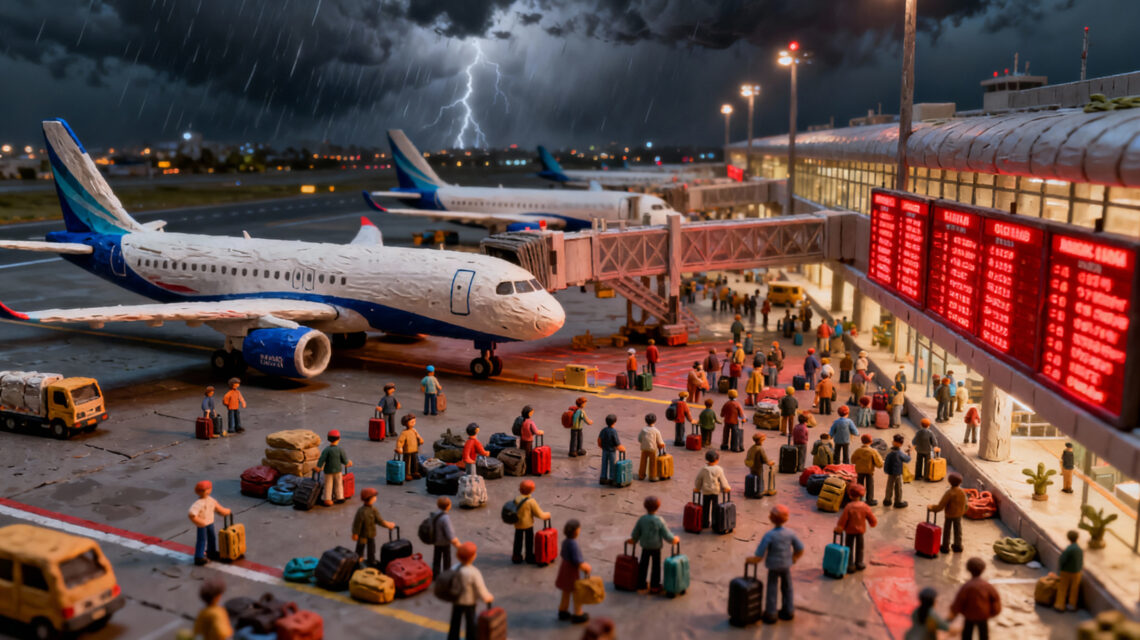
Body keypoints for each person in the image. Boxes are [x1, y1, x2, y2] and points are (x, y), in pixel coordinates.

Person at [748, 505, 804, 624]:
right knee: (787, 588)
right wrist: (794, 558)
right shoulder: (790, 533)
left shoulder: (769, 535)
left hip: (773, 566)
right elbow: (800, 548)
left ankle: (771, 613)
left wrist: (751, 560)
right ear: (786, 518)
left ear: (771, 518)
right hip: (786, 565)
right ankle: (788, 610)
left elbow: (760, 554)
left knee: (772, 588)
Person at [629, 496, 680, 595]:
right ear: (658, 507)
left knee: (643, 565)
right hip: (656, 547)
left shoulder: (642, 519)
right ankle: (655, 586)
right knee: (656, 567)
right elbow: (666, 534)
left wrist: (633, 540)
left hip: (645, 546)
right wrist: (673, 539)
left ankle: (641, 585)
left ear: (645, 507)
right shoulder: (659, 520)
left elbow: (636, 532)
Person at [447, 542, 494, 640]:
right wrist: (487, 597)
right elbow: (480, 589)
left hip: (456, 600)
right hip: (469, 602)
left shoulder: (454, 568)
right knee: (471, 623)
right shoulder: (473, 572)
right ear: (472, 557)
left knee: (455, 621)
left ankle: (452, 637)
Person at [949, 557, 1001, 640]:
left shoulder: (966, 586)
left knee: (967, 633)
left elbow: (959, 602)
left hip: (969, 615)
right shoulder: (987, 586)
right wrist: (992, 612)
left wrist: (953, 613)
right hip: (983, 615)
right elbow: (995, 600)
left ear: (968, 569)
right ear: (983, 569)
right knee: (984, 634)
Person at [835, 484, 877, 573]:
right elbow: (871, 517)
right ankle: (859, 562)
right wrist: (872, 523)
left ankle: (850, 564)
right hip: (860, 531)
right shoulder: (865, 507)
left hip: (850, 531)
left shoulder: (848, 507)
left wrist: (840, 527)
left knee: (849, 546)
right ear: (862, 495)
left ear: (850, 495)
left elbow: (843, 519)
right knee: (860, 547)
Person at [555, 519, 592, 623]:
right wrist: (586, 567)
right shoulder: (573, 544)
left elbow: (562, 554)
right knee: (577, 593)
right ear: (576, 531)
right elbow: (578, 561)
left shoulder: (565, 542)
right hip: (572, 571)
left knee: (566, 592)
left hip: (565, 568)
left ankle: (563, 610)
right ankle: (578, 613)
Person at [188, 480, 231, 566]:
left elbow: (218, 508)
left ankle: (211, 552)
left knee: (212, 537)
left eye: (207, 489)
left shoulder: (211, 500)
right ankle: (199, 557)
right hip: (202, 524)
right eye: (203, 490)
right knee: (202, 540)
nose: (205, 491)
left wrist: (226, 511)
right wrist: (199, 522)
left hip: (210, 522)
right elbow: (192, 514)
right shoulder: (198, 504)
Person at [510, 479, 552, 565]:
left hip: (518, 524)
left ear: (520, 490)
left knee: (518, 540)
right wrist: (547, 515)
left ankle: (516, 556)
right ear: (532, 490)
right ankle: (529, 556)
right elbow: (539, 514)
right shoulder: (531, 502)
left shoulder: (516, 499)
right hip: (528, 524)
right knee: (529, 541)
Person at [352, 487, 395, 567]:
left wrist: (388, 524)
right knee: (360, 547)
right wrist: (355, 533)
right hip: (362, 534)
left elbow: (379, 520)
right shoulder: (361, 511)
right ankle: (357, 560)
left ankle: (371, 560)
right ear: (368, 498)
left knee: (371, 549)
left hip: (371, 533)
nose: (375, 498)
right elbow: (357, 524)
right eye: (374, 497)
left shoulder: (373, 510)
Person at [928, 472, 967, 554]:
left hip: (949, 515)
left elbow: (941, 505)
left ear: (950, 482)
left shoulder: (949, 493)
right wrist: (962, 512)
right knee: (958, 530)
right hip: (959, 515)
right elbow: (966, 505)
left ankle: (945, 547)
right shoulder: (962, 492)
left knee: (947, 531)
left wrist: (932, 508)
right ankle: (958, 546)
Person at [693, 450, 731, 530]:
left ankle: (705, 523)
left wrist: (697, 488)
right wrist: (726, 487)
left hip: (706, 491)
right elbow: (722, 480)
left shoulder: (704, 469)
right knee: (715, 507)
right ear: (717, 460)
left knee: (705, 507)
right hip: (715, 491)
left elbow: (699, 480)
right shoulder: (719, 469)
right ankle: (714, 523)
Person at [317, 430, 352, 506]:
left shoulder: (326, 450)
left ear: (328, 439)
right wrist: (347, 463)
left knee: (328, 485)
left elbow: (322, 459)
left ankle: (327, 499)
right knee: (338, 484)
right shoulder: (340, 450)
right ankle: (340, 497)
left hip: (328, 471)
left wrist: (318, 467)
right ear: (339, 439)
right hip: (338, 470)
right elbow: (344, 459)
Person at [429, 497, 461, 578]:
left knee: (436, 559)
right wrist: (459, 546)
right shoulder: (445, 518)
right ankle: (446, 576)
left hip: (436, 541)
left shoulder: (435, 514)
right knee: (447, 559)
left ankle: (435, 575)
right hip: (444, 543)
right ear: (448, 506)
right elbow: (450, 535)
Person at [851, 434, 884, 506]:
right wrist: (881, 464)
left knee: (859, 484)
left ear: (862, 441)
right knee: (870, 485)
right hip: (869, 471)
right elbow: (879, 463)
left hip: (859, 471)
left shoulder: (858, 450)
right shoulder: (873, 451)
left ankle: (859, 498)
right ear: (871, 442)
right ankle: (870, 500)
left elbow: (853, 460)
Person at [1055, 530, 1083, 612]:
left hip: (1066, 571)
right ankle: (1072, 605)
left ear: (1068, 538)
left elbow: (1062, 560)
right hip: (1077, 572)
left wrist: (1059, 571)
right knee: (1074, 589)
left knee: (1062, 588)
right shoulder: (1079, 549)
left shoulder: (1069, 549)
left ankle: (1059, 605)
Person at [883, 434, 913, 508]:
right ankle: (898, 501)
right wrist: (909, 453)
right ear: (900, 444)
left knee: (889, 486)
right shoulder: (899, 454)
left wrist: (886, 469)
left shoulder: (889, 451)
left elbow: (885, 459)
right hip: (897, 472)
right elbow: (907, 459)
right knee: (898, 487)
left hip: (890, 471)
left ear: (893, 442)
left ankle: (887, 500)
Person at [597, 414, 625, 485]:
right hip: (612, 451)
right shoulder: (613, 431)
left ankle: (603, 477)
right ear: (614, 422)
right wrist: (622, 449)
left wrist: (601, 446)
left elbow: (599, 439)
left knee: (604, 463)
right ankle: (612, 478)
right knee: (612, 464)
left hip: (605, 450)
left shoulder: (603, 430)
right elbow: (617, 443)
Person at [395, 414, 424, 481]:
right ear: (406, 423)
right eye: (412, 422)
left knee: (415, 461)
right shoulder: (404, 433)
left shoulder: (414, 430)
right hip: (407, 451)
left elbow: (418, 436)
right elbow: (400, 441)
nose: (413, 424)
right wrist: (399, 448)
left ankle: (414, 472)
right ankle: (406, 473)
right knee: (407, 463)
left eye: (414, 422)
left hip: (414, 449)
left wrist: (420, 439)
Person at [637, 413, 666, 482]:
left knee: (643, 462)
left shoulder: (643, 430)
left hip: (644, 448)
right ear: (655, 421)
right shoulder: (656, 431)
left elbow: (639, 439)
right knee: (653, 463)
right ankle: (652, 476)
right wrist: (662, 445)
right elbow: (660, 442)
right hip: (653, 449)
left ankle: (641, 475)